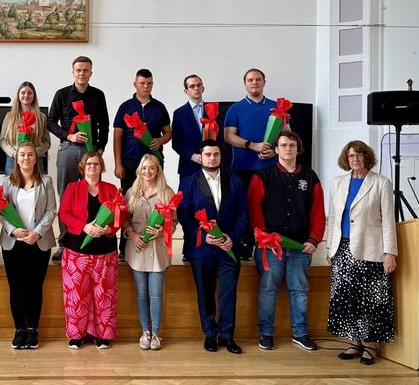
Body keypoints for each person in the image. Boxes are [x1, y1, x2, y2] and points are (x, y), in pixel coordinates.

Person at [248, 131, 325, 352]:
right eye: (283, 145)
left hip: (301, 247)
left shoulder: (310, 177)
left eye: (292, 145)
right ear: (276, 149)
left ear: (297, 149)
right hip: (270, 247)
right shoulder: (262, 176)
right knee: (268, 289)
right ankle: (266, 333)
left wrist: (314, 239)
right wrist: (263, 235)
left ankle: (300, 334)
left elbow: (318, 212)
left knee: (299, 289)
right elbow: (255, 209)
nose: (288, 149)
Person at [326, 140, 397, 365]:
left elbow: (389, 221)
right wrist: (330, 247)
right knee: (347, 297)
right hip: (343, 249)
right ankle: (354, 341)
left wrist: (390, 252)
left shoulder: (381, 183)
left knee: (371, 299)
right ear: (346, 159)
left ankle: (370, 345)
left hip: (371, 248)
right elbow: (334, 218)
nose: (355, 159)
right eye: (351, 156)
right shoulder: (338, 182)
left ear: (367, 157)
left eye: (359, 155)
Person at [178, 140, 247, 354]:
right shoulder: (189, 182)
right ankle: (210, 334)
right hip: (202, 249)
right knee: (205, 293)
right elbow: (184, 215)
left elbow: (243, 214)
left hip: (228, 248)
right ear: (201, 157)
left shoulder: (234, 181)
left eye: (216, 154)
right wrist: (202, 235)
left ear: (220, 156)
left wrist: (232, 237)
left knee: (228, 294)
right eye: (207, 154)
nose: (212, 158)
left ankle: (227, 337)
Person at [48, 56, 110, 260]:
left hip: (91, 151)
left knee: (92, 194)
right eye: (78, 70)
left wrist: (100, 149)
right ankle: (65, 243)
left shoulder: (98, 95)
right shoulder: (62, 94)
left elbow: (104, 124)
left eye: (86, 70)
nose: (82, 73)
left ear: (91, 73)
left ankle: (89, 235)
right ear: (73, 72)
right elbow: (50, 122)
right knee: (66, 194)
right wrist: (68, 135)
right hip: (69, 148)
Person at [0, 142, 57, 349]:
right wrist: (12, 230)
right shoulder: (7, 182)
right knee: (16, 288)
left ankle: (32, 330)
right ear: (16, 158)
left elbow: (51, 211)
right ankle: (19, 329)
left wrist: (37, 233)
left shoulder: (46, 181)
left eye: (30, 155)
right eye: (22, 154)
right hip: (13, 243)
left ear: (36, 158)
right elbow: (0, 211)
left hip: (38, 242)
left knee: (34, 287)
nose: (26, 158)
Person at [223, 68, 289, 259]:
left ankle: (269, 244)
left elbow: (287, 133)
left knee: (272, 207)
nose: (254, 83)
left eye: (258, 79)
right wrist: (253, 146)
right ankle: (245, 245)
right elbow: (228, 136)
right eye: (250, 80)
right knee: (243, 207)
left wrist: (274, 149)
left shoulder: (277, 107)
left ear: (264, 82)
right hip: (243, 168)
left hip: (271, 168)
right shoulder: (235, 109)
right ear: (245, 83)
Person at [58, 151, 120, 349]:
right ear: (83, 167)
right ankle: (76, 335)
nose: (92, 167)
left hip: (105, 251)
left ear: (102, 167)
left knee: (104, 294)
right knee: (76, 294)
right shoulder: (72, 188)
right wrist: (84, 227)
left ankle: (102, 335)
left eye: (96, 164)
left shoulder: (111, 189)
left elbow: (121, 216)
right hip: (76, 252)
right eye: (89, 164)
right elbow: (64, 214)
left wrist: (110, 229)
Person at [113, 69, 171, 259]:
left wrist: (160, 141)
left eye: (149, 83)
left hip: (153, 165)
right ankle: (125, 248)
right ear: (135, 84)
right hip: (130, 163)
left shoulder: (159, 107)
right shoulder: (125, 107)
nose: (146, 87)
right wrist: (118, 163)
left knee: (154, 202)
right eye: (142, 83)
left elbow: (168, 133)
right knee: (129, 205)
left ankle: (152, 241)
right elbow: (117, 138)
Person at [122, 154, 175, 351]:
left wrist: (163, 231)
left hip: (158, 249)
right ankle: (145, 331)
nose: (147, 172)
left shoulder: (167, 193)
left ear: (158, 170)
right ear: (139, 170)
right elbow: (124, 220)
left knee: (156, 295)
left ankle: (156, 333)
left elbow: (174, 222)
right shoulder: (132, 192)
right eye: (144, 168)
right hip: (137, 249)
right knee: (141, 294)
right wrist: (132, 235)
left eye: (152, 168)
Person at [0, 81, 51, 175]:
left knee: (34, 189)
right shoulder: (9, 116)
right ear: (18, 95)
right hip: (13, 161)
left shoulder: (41, 117)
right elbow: (2, 140)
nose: (26, 95)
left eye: (30, 93)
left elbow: (47, 142)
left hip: (36, 161)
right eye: (23, 92)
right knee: (13, 189)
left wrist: (34, 153)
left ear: (34, 96)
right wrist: (14, 154)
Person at [172, 74, 215, 179]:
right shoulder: (179, 113)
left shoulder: (214, 109)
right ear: (186, 91)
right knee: (187, 195)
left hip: (212, 166)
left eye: (199, 85)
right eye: (192, 86)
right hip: (189, 166)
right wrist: (192, 156)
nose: (196, 88)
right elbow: (176, 143)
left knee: (212, 195)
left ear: (203, 88)